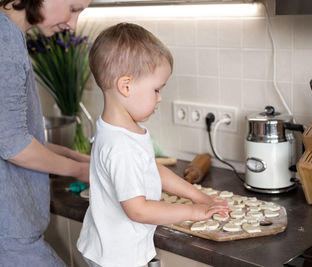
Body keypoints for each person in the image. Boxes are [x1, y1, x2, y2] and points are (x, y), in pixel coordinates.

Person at [77, 22, 230, 267]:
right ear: (125, 86)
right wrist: (194, 212)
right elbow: (138, 210)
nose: (160, 98)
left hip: (113, 250)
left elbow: (151, 168)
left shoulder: (121, 129)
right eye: (156, 89)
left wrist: (196, 195)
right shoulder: (120, 145)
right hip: (116, 259)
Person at [0, 1, 91, 266]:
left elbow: (19, 134)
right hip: (10, 240)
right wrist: (82, 172)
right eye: (73, 8)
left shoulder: (9, 37)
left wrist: (78, 158)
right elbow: (15, 146)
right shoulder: (5, 44)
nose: (73, 24)